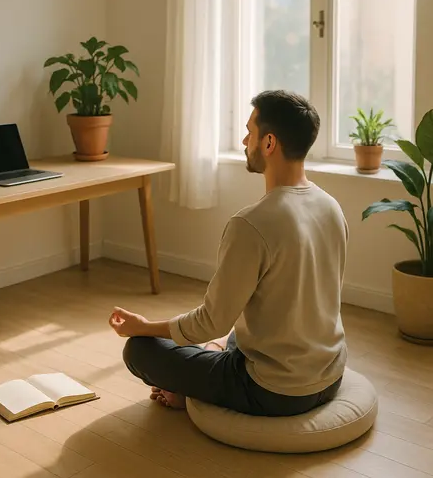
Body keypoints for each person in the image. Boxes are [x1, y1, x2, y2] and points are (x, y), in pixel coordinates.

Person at [109, 89, 348, 417]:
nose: (243, 140)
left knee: (139, 350)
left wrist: (144, 326)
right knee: (240, 330)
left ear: (269, 143)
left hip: (274, 391)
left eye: (250, 132)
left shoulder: (251, 224)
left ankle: (191, 390)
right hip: (329, 375)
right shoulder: (331, 206)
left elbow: (210, 322)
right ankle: (205, 369)